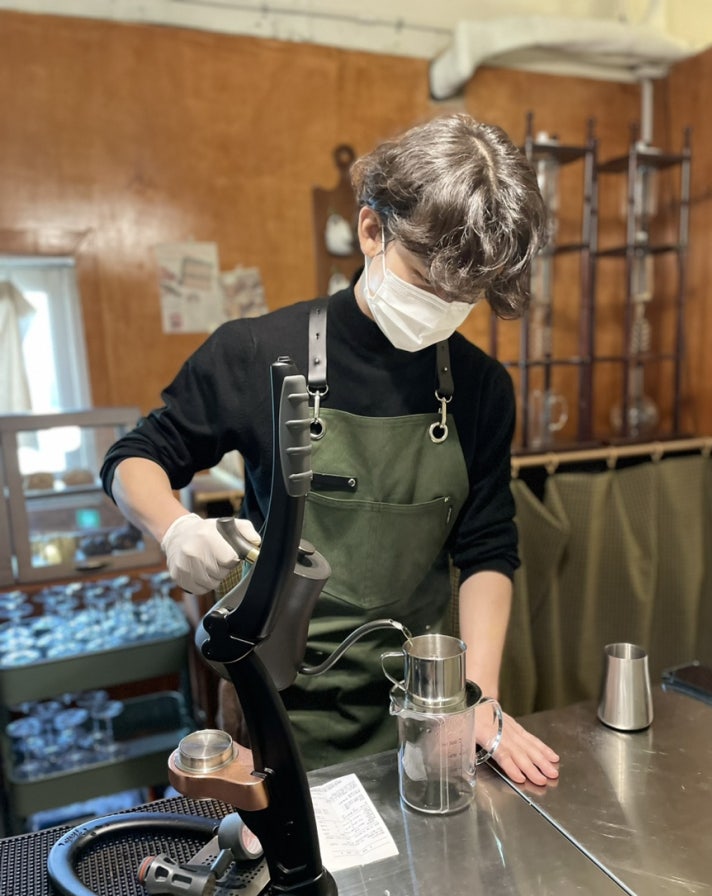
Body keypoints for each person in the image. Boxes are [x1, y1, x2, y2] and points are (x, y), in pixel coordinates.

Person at [101, 113, 559, 786]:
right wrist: (174, 528)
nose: (442, 306)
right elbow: (134, 456)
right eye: (427, 280)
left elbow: (487, 548)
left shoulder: (480, 388)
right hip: (279, 705)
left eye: (464, 295)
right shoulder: (258, 350)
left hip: (417, 708)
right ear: (371, 230)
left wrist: (473, 698)